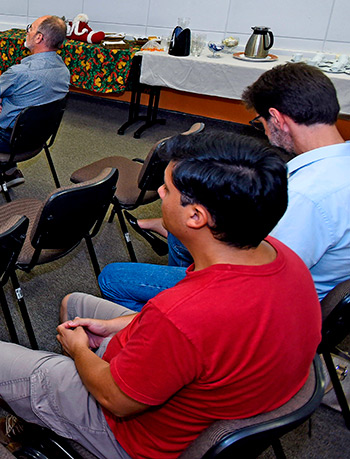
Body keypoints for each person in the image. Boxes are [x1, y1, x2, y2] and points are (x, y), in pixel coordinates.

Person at [0, 131, 321, 458]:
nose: (161, 195)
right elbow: (193, 335)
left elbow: (116, 399)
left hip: (132, 430)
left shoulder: (182, 316)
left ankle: (40, 428)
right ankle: (53, 409)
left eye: (166, 189)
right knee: (73, 303)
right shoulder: (279, 256)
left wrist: (78, 351)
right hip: (190, 384)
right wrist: (122, 327)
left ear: (197, 216)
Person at [99, 63, 350, 309]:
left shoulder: (308, 196)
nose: (262, 129)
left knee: (113, 278)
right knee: (180, 228)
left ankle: (174, 318)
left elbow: (252, 273)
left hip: (259, 297)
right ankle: (177, 281)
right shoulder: (336, 166)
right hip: (287, 275)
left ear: (277, 118)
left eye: (260, 121)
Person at [0, 15, 70, 205]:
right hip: (38, 137)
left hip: (8, 142)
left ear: (39, 38)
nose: (27, 32)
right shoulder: (64, 70)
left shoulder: (20, 72)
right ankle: (9, 171)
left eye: (31, 28)